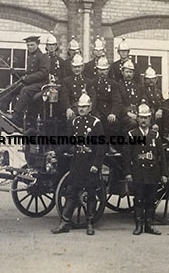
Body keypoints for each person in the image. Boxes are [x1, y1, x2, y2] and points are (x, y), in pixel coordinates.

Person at [51, 93, 106, 236]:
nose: (81, 110)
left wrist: (96, 164)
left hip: (90, 163)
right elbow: (70, 141)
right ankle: (65, 222)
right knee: (71, 192)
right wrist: (56, 151)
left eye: (84, 107)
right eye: (80, 107)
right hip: (77, 162)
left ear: (90, 107)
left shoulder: (96, 123)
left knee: (91, 194)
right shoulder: (74, 122)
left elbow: (101, 147)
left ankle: (90, 223)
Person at [123, 101, 169, 235]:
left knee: (151, 199)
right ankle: (139, 225)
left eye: (146, 117)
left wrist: (164, 174)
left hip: (152, 173)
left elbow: (162, 156)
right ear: (137, 118)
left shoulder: (155, 136)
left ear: (150, 119)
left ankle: (149, 225)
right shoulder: (132, 135)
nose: (144, 120)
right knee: (138, 199)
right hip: (138, 173)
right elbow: (127, 156)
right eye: (141, 118)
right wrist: (128, 173)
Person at [0, 35, 49, 126]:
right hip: (31, 83)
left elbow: (43, 73)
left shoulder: (43, 56)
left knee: (25, 90)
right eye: (28, 45)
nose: (30, 47)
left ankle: (16, 116)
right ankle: (1, 111)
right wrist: (17, 73)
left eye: (32, 45)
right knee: (10, 88)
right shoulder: (30, 57)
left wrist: (27, 78)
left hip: (40, 84)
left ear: (38, 44)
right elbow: (29, 72)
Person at [60, 54, 97, 120]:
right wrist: (68, 108)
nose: (77, 69)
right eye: (75, 67)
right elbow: (64, 96)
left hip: (86, 108)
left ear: (82, 67)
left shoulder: (88, 82)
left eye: (79, 67)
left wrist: (89, 109)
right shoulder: (67, 81)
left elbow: (93, 97)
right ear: (71, 68)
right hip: (73, 108)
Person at [92, 56, 122, 137]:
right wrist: (93, 113)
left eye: (104, 70)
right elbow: (93, 100)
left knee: (114, 123)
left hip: (109, 109)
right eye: (100, 70)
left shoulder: (113, 84)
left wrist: (113, 113)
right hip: (97, 109)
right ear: (97, 70)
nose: (102, 72)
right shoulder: (93, 83)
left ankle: (111, 144)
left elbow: (116, 100)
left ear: (108, 70)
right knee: (97, 122)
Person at [116, 59, 147, 132]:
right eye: (126, 72)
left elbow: (143, 99)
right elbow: (118, 103)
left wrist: (140, 112)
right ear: (122, 72)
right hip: (124, 114)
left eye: (130, 72)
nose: (128, 74)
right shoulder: (118, 86)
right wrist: (127, 113)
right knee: (133, 123)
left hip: (137, 113)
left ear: (133, 73)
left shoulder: (138, 86)